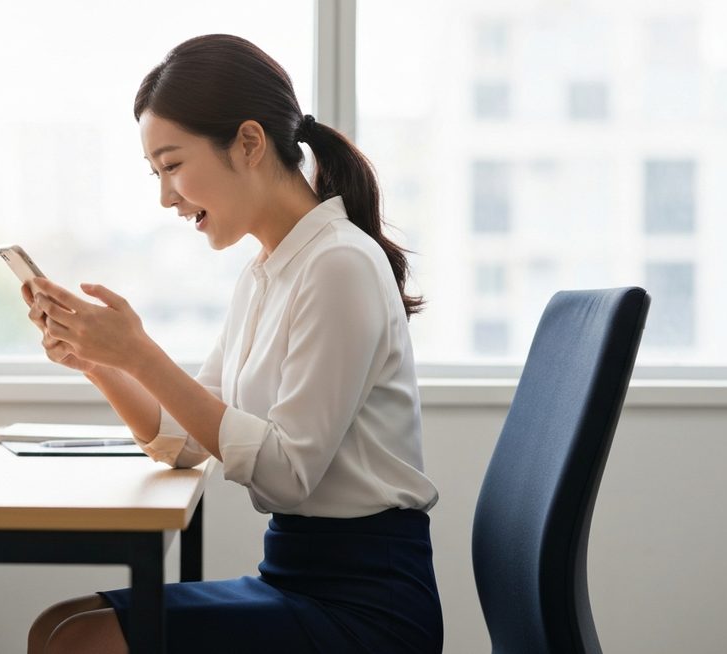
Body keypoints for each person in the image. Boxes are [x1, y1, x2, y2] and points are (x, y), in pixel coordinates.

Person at [22, 34, 442, 654]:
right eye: (156, 173)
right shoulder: (266, 273)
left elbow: (286, 477)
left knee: (78, 640)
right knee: (57, 627)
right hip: (299, 578)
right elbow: (185, 441)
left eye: (172, 166)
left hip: (367, 607)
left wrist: (139, 353)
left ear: (248, 143)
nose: (165, 196)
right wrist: (99, 362)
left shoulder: (339, 265)